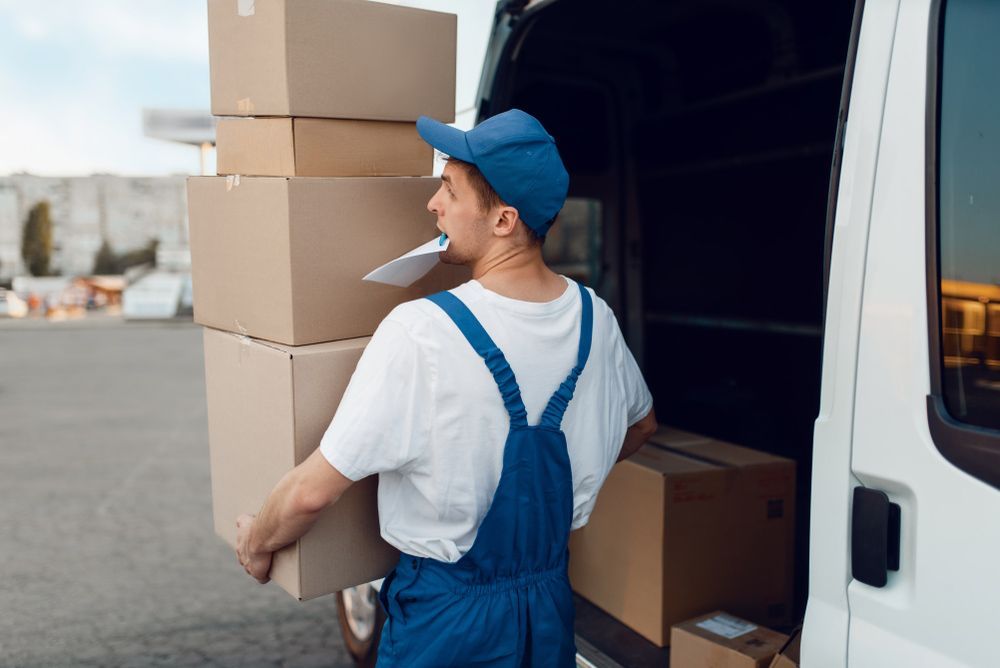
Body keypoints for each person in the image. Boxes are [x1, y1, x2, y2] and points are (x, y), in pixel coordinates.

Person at [235, 108, 657, 666]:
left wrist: (257, 542)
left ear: (504, 220)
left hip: (447, 620)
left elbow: (313, 491)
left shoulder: (423, 330)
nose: (433, 204)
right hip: (549, 606)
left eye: (450, 189)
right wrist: (583, 469)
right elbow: (641, 425)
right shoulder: (595, 319)